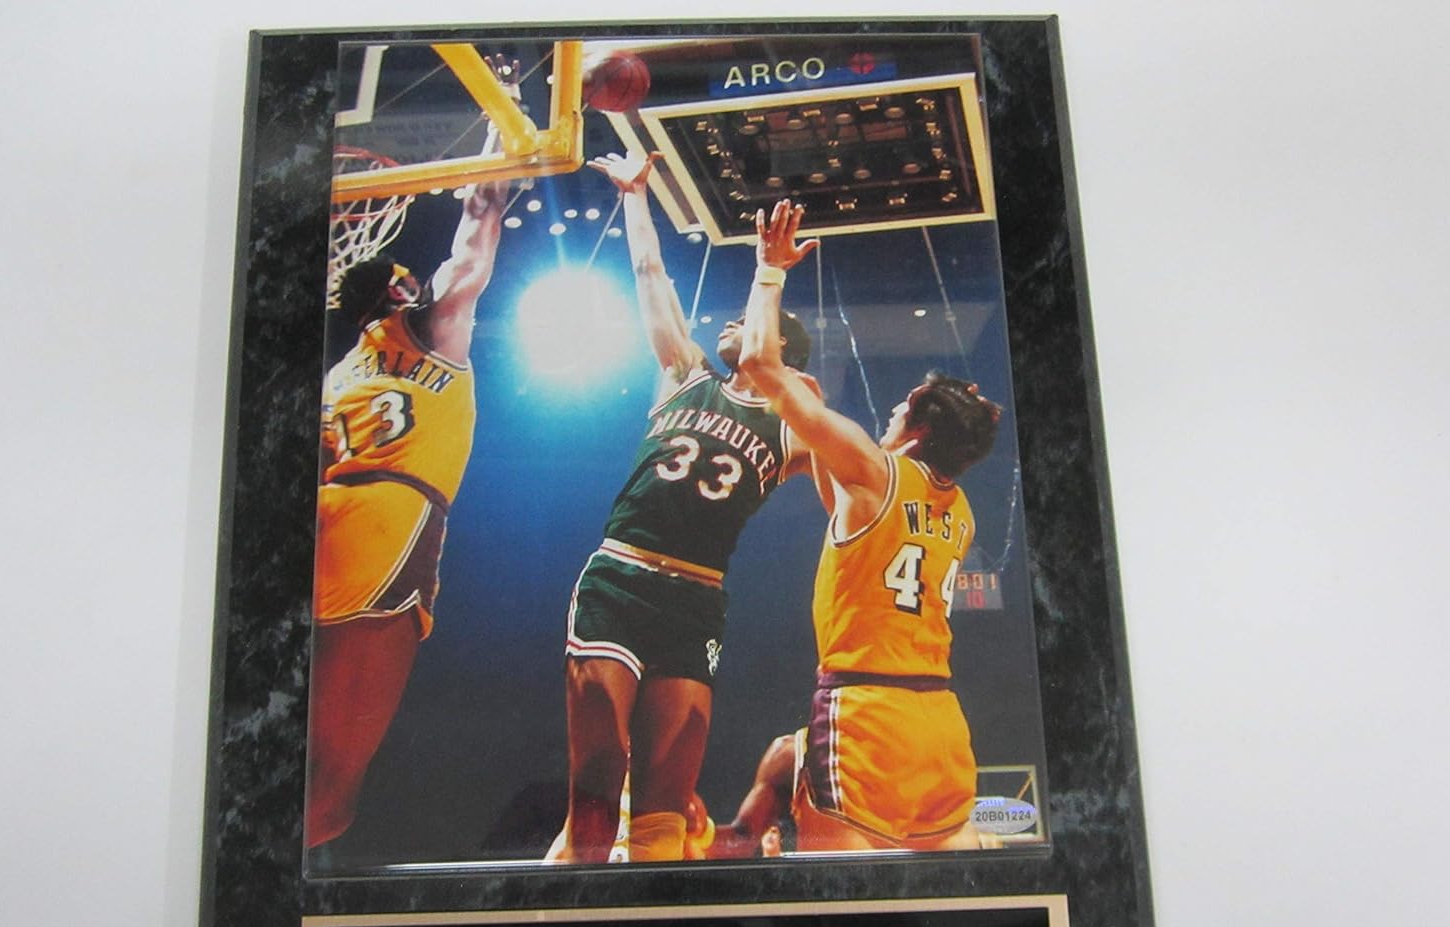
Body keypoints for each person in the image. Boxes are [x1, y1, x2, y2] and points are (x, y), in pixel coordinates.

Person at [556, 152, 818, 864]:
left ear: (780, 351)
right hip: (621, 580)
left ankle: (647, 910)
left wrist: (774, 281)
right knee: (596, 784)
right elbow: (650, 276)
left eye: (749, 322)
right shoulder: (685, 372)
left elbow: (857, 465)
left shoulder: (796, 429)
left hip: (696, 602)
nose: (731, 324)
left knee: (662, 817)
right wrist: (636, 197)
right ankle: (576, 903)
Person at [737, 199, 1006, 852]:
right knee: (945, 892)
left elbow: (758, 366)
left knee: (844, 896)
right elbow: (855, 521)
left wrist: (770, 270)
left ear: (916, 432)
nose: (888, 415)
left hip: (868, 714)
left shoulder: (875, 470)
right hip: (940, 721)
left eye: (899, 411)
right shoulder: (960, 512)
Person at [305, 177, 510, 850]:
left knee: (304, 767)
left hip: (330, 523)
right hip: (386, 526)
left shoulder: (338, 378)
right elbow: (475, 239)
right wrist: (500, 156)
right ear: (399, 293)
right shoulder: (432, 331)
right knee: (330, 793)